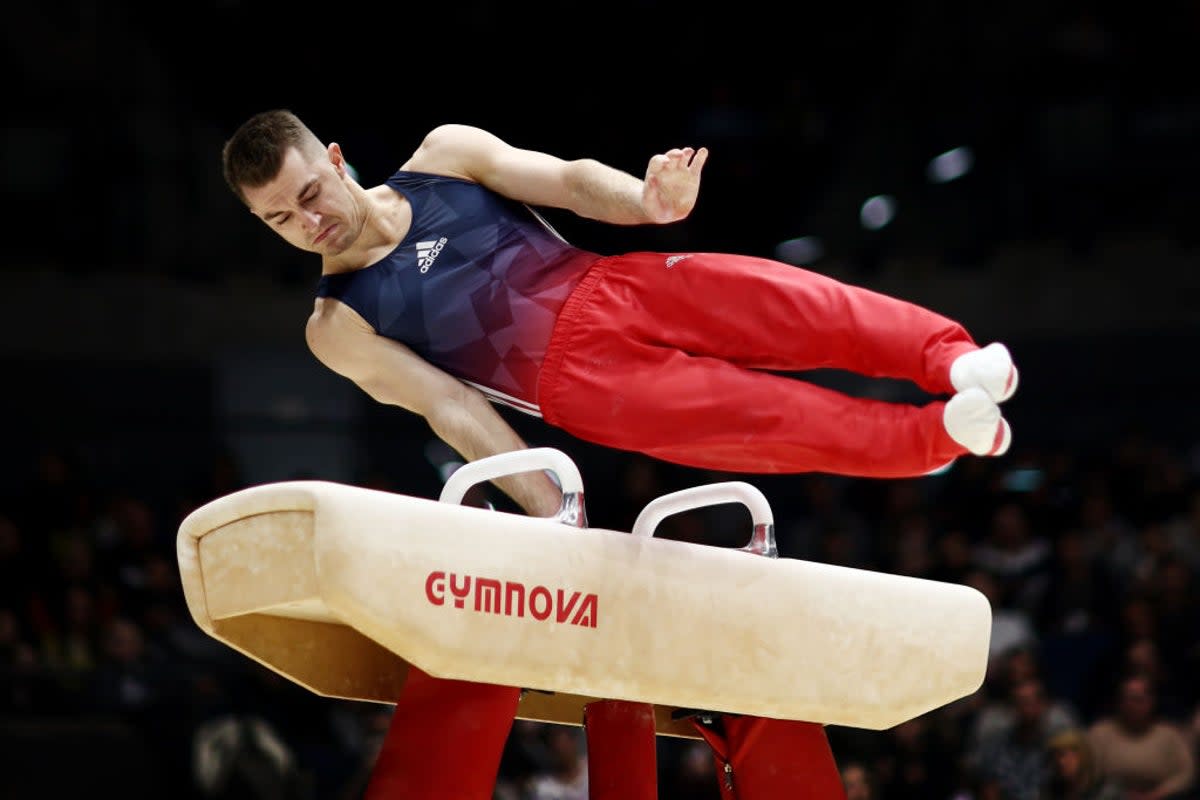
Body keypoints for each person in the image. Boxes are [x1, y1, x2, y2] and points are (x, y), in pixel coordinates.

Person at [220, 109, 1020, 521]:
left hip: (612, 281)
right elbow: (452, 407)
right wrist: (551, 506)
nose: (308, 222)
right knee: (769, 419)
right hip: (586, 388)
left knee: (794, 304)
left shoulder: (444, 156)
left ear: (333, 159)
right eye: (280, 220)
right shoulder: (338, 324)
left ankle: (950, 360)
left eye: (310, 194)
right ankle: (937, 438)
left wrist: (645, 202)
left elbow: (566, 180)